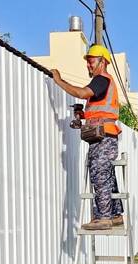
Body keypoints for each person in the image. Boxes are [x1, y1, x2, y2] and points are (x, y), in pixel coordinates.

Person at [52, 44, 124, 231]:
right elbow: (99, 112)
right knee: (107, 174)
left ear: (102, 62)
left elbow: (81, 93)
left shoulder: (101, 79)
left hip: (104, 137)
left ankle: (104, 218)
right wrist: (82, 115)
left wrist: (59, 81)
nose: (88, 65)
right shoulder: (102, 84)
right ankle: (116, 214)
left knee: (100, 174)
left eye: (91, 61)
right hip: (104, 135)